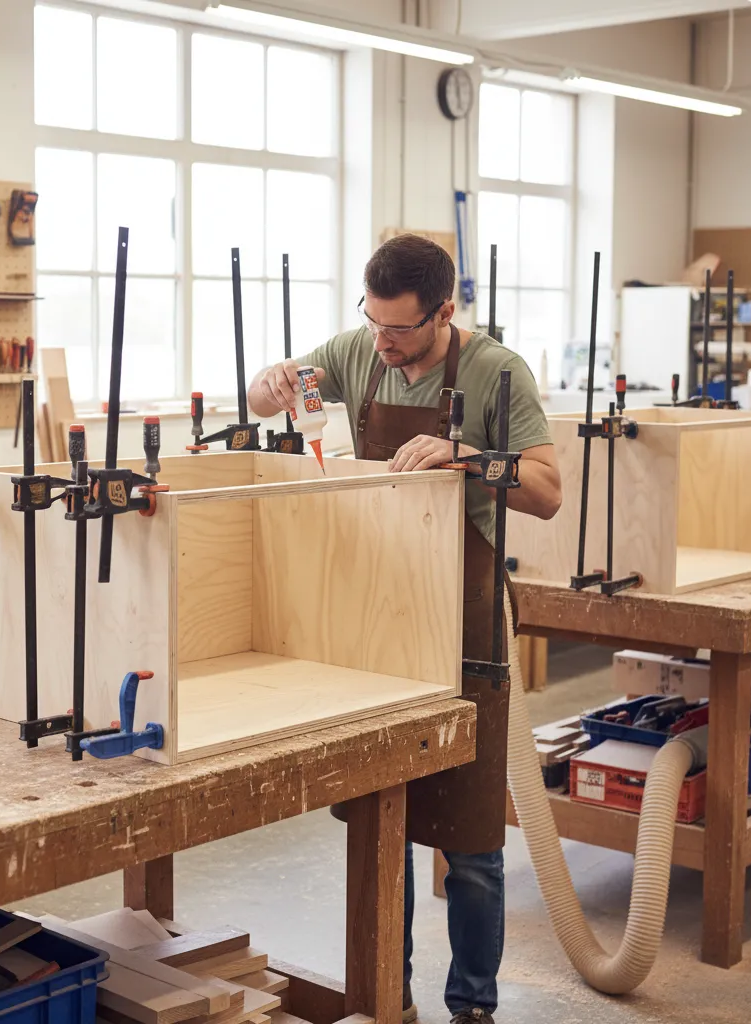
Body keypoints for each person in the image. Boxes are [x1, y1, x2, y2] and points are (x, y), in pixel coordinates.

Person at [247, 233, 562, 1024]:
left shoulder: (496, 371)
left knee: (472, 839)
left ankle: (472, 1006)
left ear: (443, 313)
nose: (381, 343)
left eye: (398, 329)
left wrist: (468, 456)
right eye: (373, 321)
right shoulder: (356, 351)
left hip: (465, 621)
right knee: (379, 823)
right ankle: (389, 996)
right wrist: (271, 381)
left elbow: (548, 490)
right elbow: (260, 402)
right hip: (377, 622)